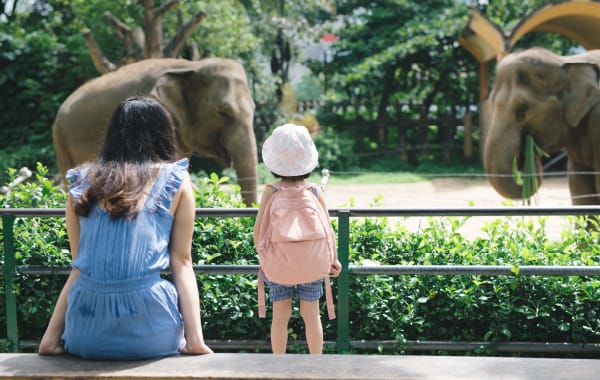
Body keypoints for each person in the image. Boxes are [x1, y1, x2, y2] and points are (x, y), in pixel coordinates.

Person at [38, 96, 213, 359]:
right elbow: (182, 261)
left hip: (86, 332)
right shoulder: (175, 179)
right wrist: (195, 341)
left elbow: (80, 266)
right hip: (150, 332)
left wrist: (50, 339)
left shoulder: (81, 183)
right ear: (162, 133)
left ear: (114, 134)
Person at [253, 123, 342, 355]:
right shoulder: (314, 191)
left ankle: (279, 367)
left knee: (280, 316)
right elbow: (328, 229)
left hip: (278, 264)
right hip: (312, 263)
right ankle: (315, 366)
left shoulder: (271, 191)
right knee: (312, 315)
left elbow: (259, 230)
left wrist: (264, 258)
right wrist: (333, 258)